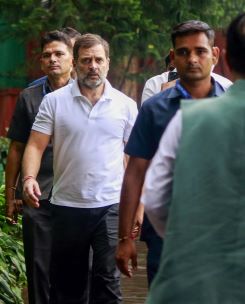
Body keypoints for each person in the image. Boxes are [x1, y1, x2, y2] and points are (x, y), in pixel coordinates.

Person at [21, 33, 138, 304]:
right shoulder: (54, 101)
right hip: (66, 206)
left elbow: (135, 159)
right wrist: (28, 178)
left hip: (111, 206)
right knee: (67, 285)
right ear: (75, 64)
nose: (93, 66)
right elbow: (35, 145)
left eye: (99, 60)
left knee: (108, 281)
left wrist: (136, 206)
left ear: (108, 63)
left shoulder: (126, 105)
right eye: (86, 60)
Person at [142, 12, 245, 304]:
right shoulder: (159, 102)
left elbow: (155, 198)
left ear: (222, 57)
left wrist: (190, 236)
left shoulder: (190, 119)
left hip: (195, 278)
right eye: (184, 53)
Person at [116, 20, 228, 283]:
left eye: (200, 51)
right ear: (173, 57)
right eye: (183, 52)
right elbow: (134, 174)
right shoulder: (154, 109)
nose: (192, 59)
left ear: (214, 54)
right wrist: (124, 238)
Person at [5, 30, 74, 304]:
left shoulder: (88, 93)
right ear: (41, 61)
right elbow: (17, 148)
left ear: (72, 58)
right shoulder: (29, 97)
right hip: (37, 195)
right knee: (38, 269)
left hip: (77, 196)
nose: (53, 60)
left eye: (59, 54)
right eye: (47, 55)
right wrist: (12, 195)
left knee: (76, 269)